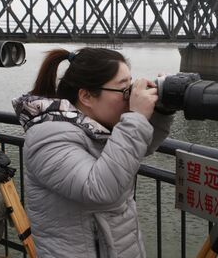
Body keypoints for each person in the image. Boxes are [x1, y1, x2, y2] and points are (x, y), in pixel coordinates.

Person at [12, 48, 174, 257]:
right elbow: (100, 190)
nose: (131, 97)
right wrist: (136, 117)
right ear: (86, 96)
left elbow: (137, 147)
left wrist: (162, 111)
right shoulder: (48, 137)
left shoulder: (95, 126)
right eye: (125, 90)